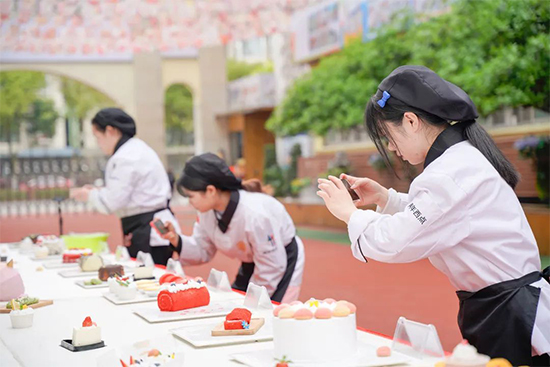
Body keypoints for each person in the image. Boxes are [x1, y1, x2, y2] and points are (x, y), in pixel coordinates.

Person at [317, 66, 549, 366]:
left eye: (388, 136)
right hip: (505, 306)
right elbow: (438, 217)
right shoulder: (459, 161)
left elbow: (394, 241)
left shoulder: (447, 175)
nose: (390, 147)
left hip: (510, 313)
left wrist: (348, 214)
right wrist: (385, 198)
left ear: (410, 121)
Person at [160, 153, 305, 303]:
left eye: (191, 196)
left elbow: (272, 265)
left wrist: (253, 301)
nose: (190, 202)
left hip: (282, 260)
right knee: (237, 304)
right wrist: (175, 239)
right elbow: (203, 249)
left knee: (270, 310)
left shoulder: (255, 214)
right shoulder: (206, 212)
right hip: (253, 261)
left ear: (210, 191)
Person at [70, 108, 182, 265]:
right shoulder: (135, 149)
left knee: (149, 280)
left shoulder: (125, 157)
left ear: (110, 131)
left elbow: (112, 202)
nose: (98, 143)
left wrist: (88, 195)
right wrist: (97, 192)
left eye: (98, 137)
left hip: (148, 230)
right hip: (150, 226)